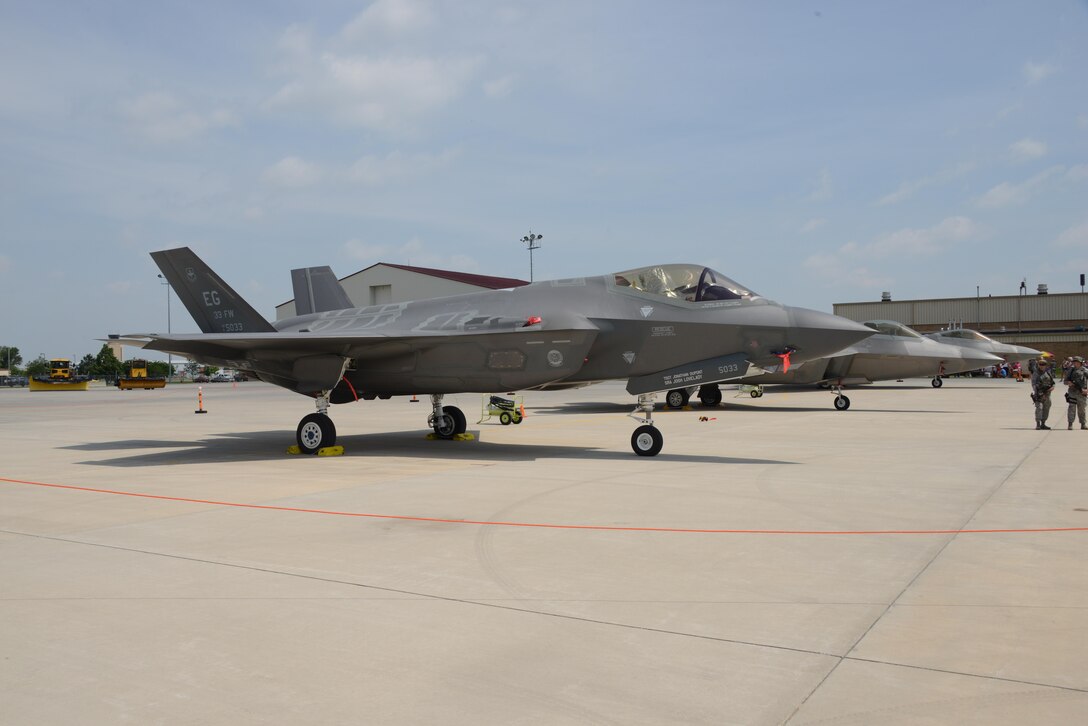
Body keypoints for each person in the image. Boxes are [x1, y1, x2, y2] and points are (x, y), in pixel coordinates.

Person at [1031, 357, 1056, 430]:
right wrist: (1038, 392)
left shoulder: (1048, 373)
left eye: (1043, 364)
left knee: (1046, 408)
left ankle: (1043, 423)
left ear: (1046, 365)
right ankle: (1038, 423)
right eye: (1040, 364)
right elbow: (1033, 384)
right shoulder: (1036, 373)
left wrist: (1053, 387)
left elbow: (1053, 382)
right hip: (1039, 394)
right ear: (1038, 365)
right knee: (1039, 408)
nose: (1042, 366)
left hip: (1048, 394)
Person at [1065, 356, 1088, 430]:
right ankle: (1070, 424)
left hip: (1082, 393)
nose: (1075, 363)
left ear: (1081, 363)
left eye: (1077, 362)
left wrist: (1086, 390)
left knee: (1082, 409)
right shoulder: (1071, 370)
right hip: (1072, 392)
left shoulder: (1085, 370)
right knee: (1072, 408)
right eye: (1074, 362)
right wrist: (1068, 383)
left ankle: (1083, 424)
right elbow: (1065, 381)